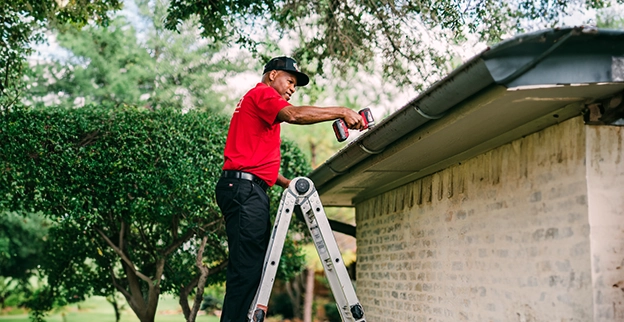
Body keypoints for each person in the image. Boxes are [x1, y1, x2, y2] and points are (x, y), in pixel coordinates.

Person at [215, 56, 364, 322]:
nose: (292, 89)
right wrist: (341, 110)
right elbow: (294, 115)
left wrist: (285, 182)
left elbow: (252, 158)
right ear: (272, 75)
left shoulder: (256, 103)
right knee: (246, 270)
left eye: (295, 85)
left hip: (245, 187)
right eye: (290, 81)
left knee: (248, 268)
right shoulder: (262, 94)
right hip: (245, 191)